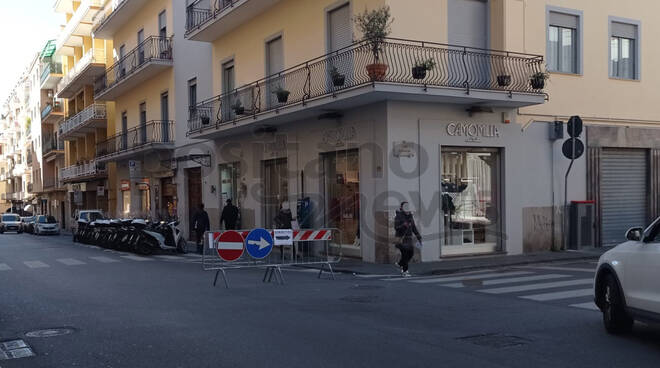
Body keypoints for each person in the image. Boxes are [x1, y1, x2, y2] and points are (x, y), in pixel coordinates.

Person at [394, 201, 422, 277]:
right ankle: (405, 271)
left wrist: (418, 236)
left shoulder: (410, 216)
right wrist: (404, 225)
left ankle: (400, 264)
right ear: (402, 208)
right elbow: (396, 228)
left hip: (409, 239)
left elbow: (413, 227)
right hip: (401, 239)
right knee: (405, 255)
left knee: (411, 253)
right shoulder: (398, 216)